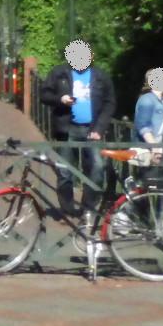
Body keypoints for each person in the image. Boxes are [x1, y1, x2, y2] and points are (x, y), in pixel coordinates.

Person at [41, 39, 115, 223]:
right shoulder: (59, 73)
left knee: (97, 168)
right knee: (65, 172)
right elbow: (44, 94)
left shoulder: (101, 76)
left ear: (91, 56)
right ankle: (67, 210)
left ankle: (88, 209)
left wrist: (99, 128)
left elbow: (110, 103)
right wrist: (61, 99)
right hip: (67, 129)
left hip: (92, 130)